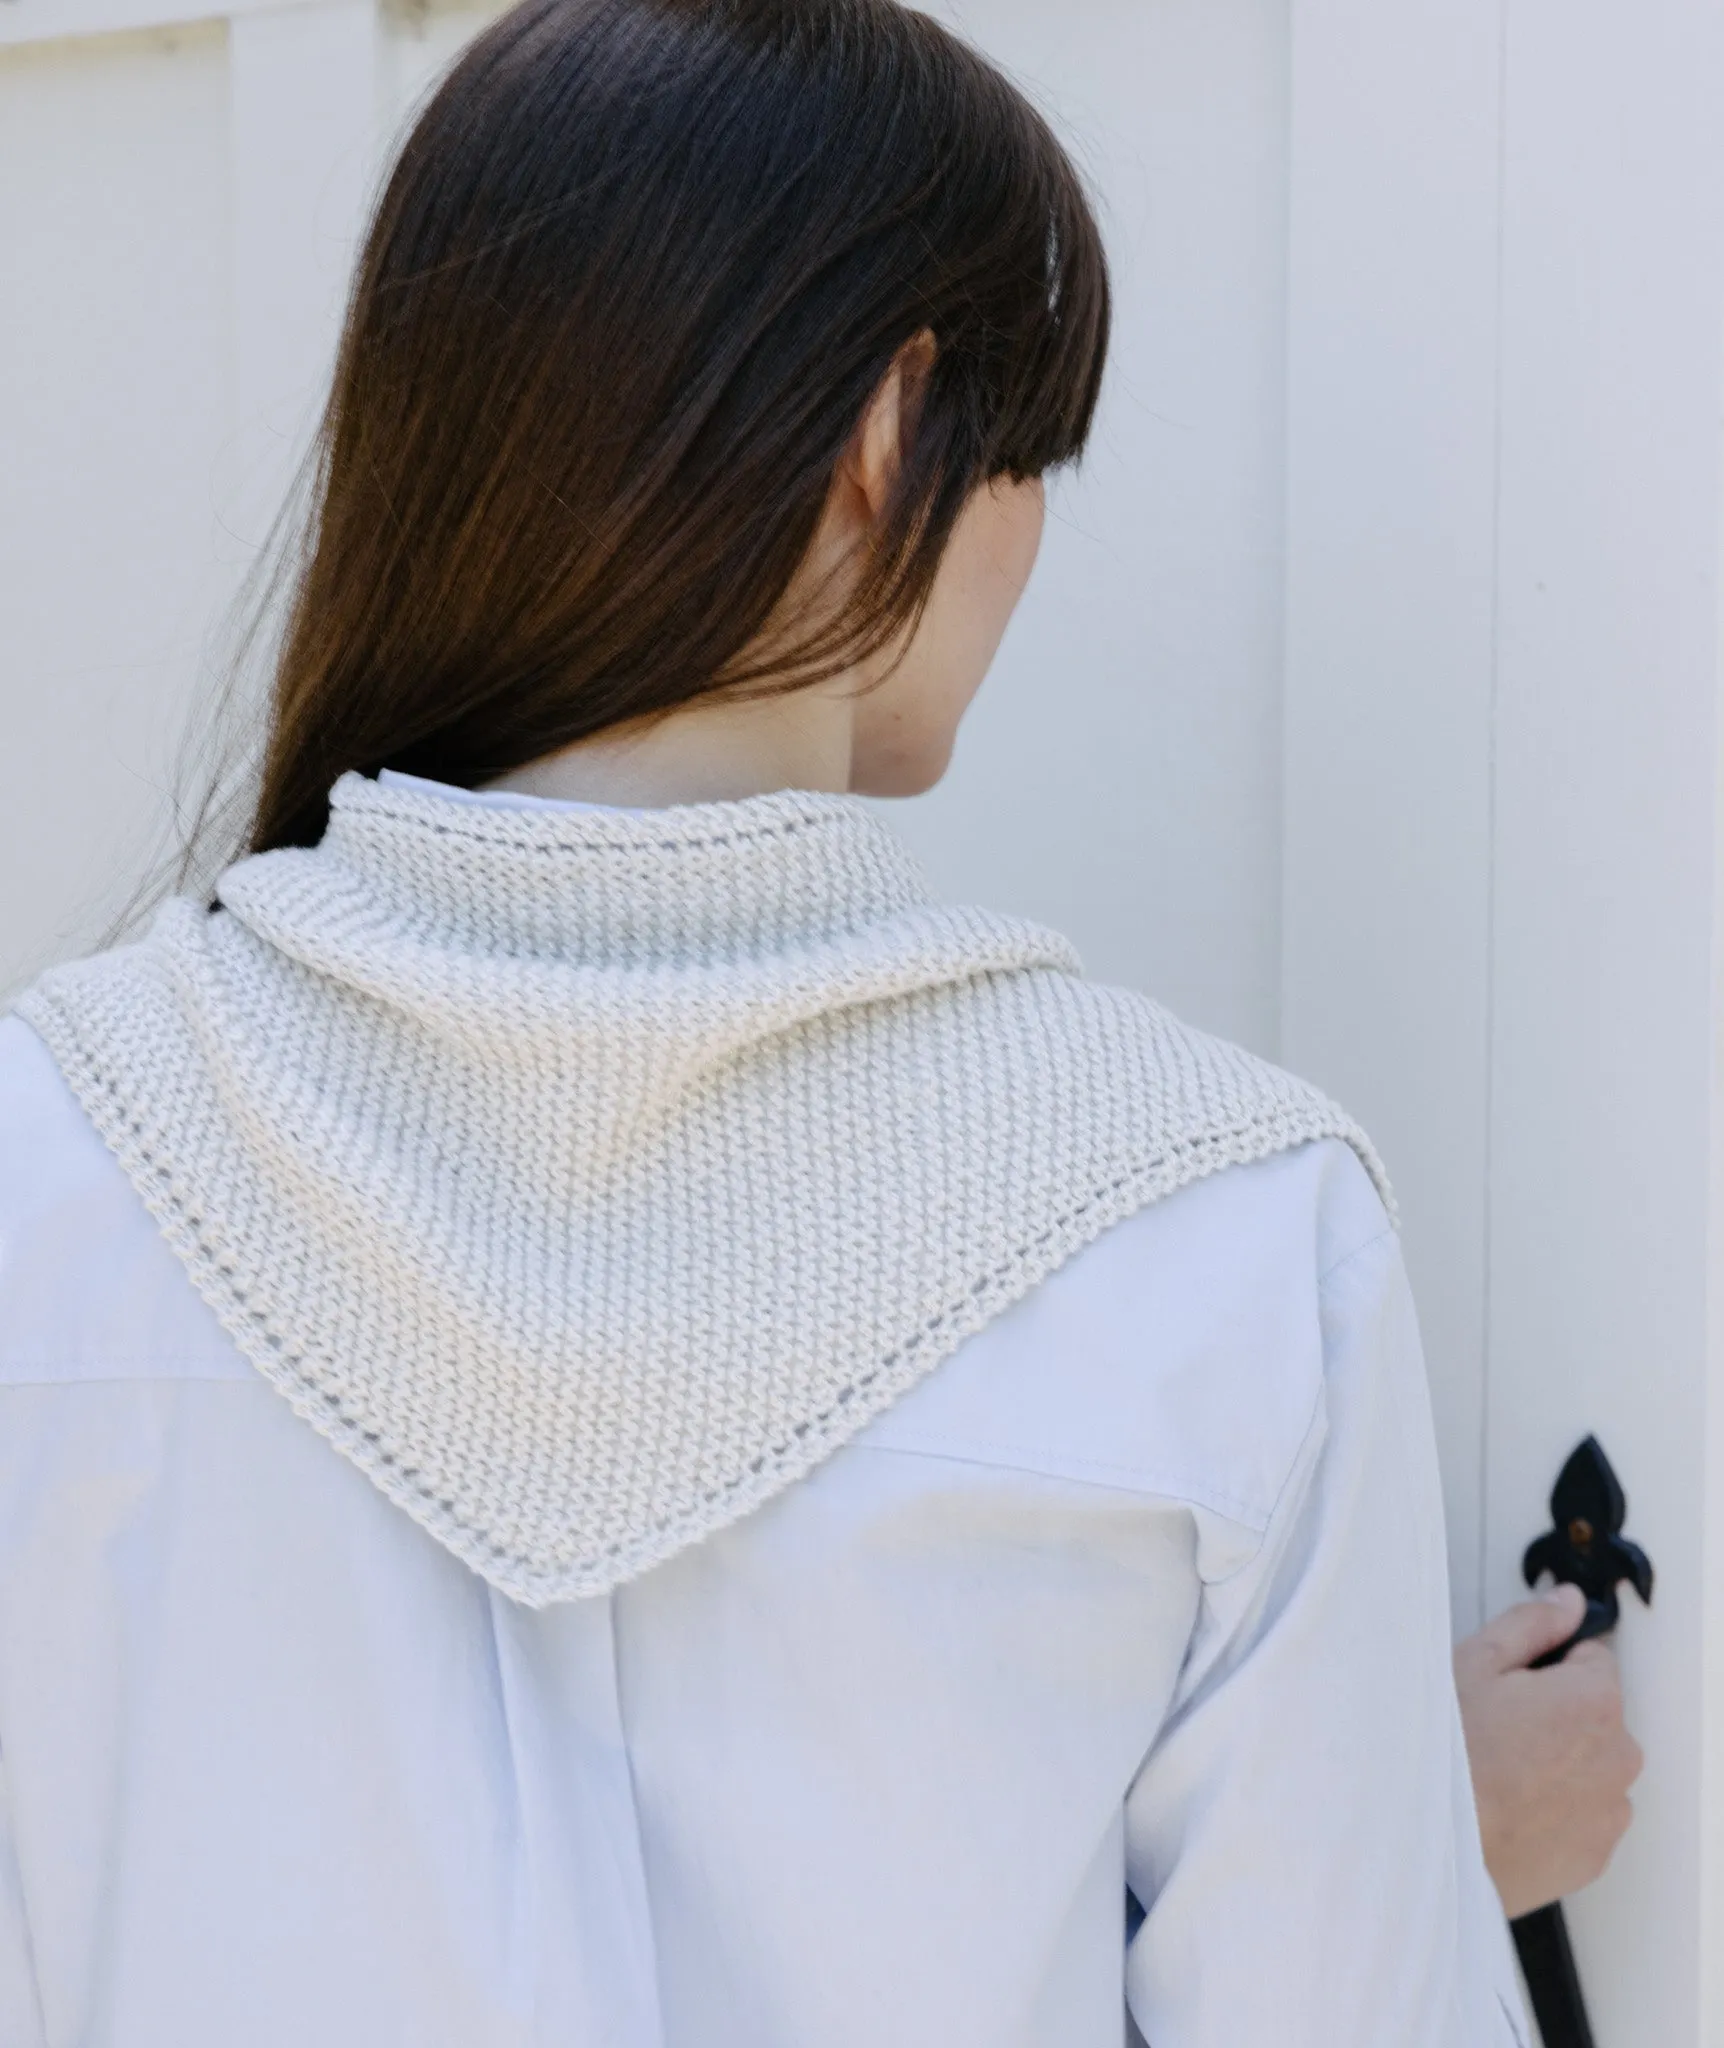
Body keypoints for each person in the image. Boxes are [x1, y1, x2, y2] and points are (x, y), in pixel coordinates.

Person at [0, 1, 1635, 2042]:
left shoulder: (54, 1161)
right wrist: (1403, 1849)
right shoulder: (1222, 1239)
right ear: (890, 435)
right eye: (1029, 452)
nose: (1026, 529)